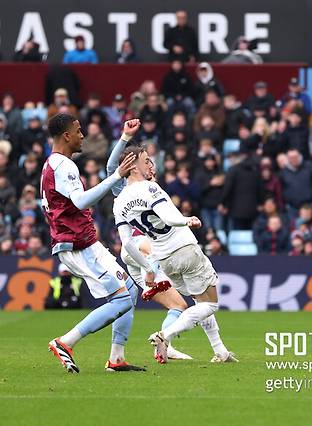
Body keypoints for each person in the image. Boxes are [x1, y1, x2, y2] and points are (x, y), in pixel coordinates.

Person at [112, 145, 237, 364]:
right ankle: (165, 335)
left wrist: (148, 267)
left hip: (165, 259)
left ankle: (221, 352)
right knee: (211, 304)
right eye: (146, 160)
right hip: (185, 249)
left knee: (200, 302)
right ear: (132, 167)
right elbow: (169, 218)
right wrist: (187, 220)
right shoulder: (150, 189)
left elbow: (127, 243)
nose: (151, 164)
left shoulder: (119, 202)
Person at [42, 113, 143, 373]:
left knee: (130, 290)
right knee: (121, 301)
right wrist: (117, 176)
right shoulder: (63, 165)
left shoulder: (52, 164)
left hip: (84, 241)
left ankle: (116, 359)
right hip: (78, 245)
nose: (82, 135)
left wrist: (124, 138)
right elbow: (80, 202)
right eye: (78, 130)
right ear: (66, 135)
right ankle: (66, 342)